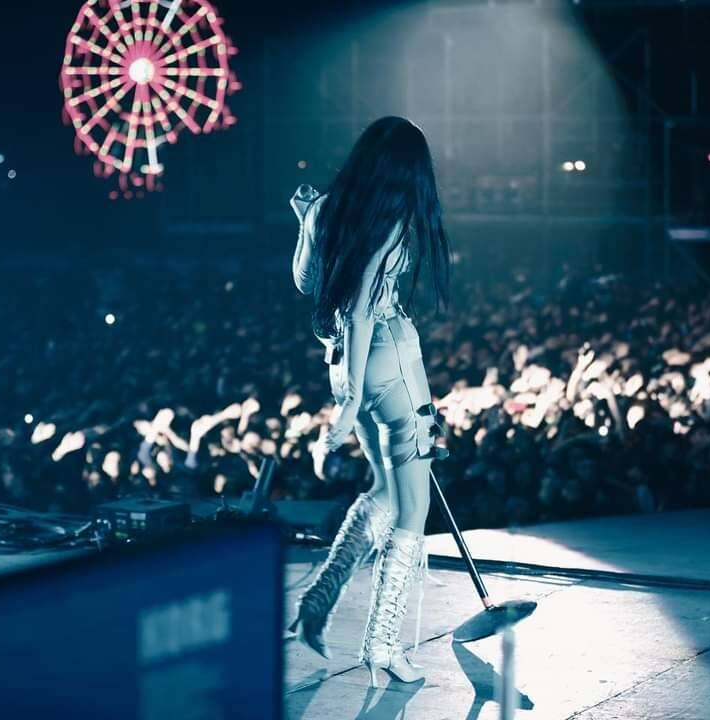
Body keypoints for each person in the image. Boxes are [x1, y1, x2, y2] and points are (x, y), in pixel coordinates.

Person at [287, 116, 451, 686]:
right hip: (390, 363)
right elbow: (361, 309)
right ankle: (382, 644)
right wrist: (351, 405)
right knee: (413, 510)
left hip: (341, 361)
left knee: (384, 489)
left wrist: (304, 223)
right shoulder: (395, 218)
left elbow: (307, 284)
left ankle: (319, 599)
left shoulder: (324, 208)